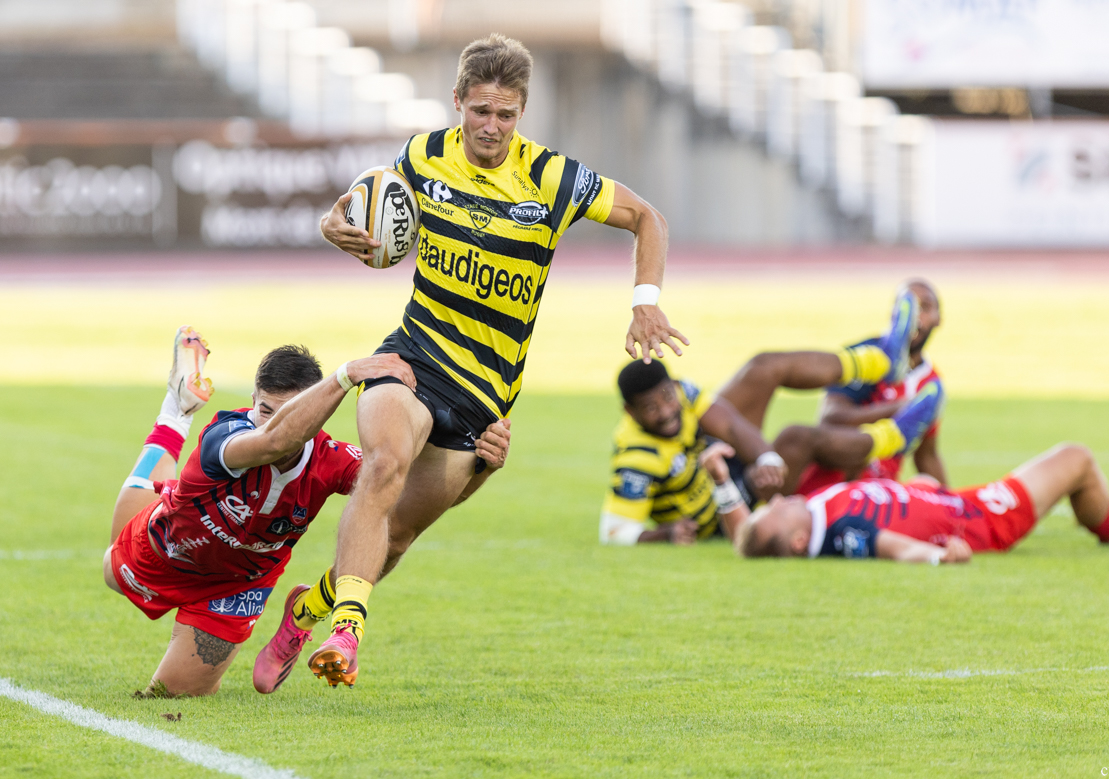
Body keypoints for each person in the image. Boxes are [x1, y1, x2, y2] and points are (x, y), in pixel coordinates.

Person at [313, 34, 688, 685]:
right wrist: (332, 223)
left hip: (483, 398)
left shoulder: (552, 178)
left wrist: (645, 302)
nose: (491, 126)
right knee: (385, 462)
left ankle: (307, 612)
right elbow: (368, 204)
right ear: (457, 101)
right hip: (412, 355)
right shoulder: (424, 155)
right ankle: (346, 634)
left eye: (505, 114)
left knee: (398, 536)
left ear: (522, 114)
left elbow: (647, 217)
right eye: (479, 110)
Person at [103, 327, 510, 696]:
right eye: (266, 409)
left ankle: (305, 610)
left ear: (315, 410)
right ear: (252, 403)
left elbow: (409, 511)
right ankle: (175, 413)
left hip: (235, 588)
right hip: (170, 549)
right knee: (112, 571)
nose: (274, 420)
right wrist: (346, 374)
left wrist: (478, 468)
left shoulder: (329, 458)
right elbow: (276, 440)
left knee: (176, 694)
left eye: (295, 409)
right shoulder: (226, 436)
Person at [599, 292, 939, 545]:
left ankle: (879, 361)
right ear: (630, 412)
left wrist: (766, 458)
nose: (667, 412)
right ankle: (894, 439)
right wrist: (664, 534)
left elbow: (728, 423)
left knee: (763, 367)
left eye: (667, 399)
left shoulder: (679, 392)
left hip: (724, 462)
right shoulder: (636, 458)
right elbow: (613, 530)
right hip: (725, 509)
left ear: (673, 386)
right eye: (651, 409)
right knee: (796, 437)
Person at [702, 442, 1109, 563]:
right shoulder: (844, 532)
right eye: (776, 508)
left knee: (924, 476)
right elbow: (890, 546)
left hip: (946, 499)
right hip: (981, 517)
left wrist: (723, 483)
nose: (780, 498)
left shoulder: (813, 518)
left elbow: (747, 537)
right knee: (1077, 458)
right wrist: (936, 558)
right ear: (800, 540)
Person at [802, 278, 946, 494]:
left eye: (924, 307)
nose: (917, 316)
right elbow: (830, 419)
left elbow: (926, 455)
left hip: (879, 494)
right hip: (832, 484)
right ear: (893, 313)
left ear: (938, 318)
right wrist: (899, 411)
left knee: (924, 487)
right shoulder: (865, 356)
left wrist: (953, 505)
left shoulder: (932, 384)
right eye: (909, 307)